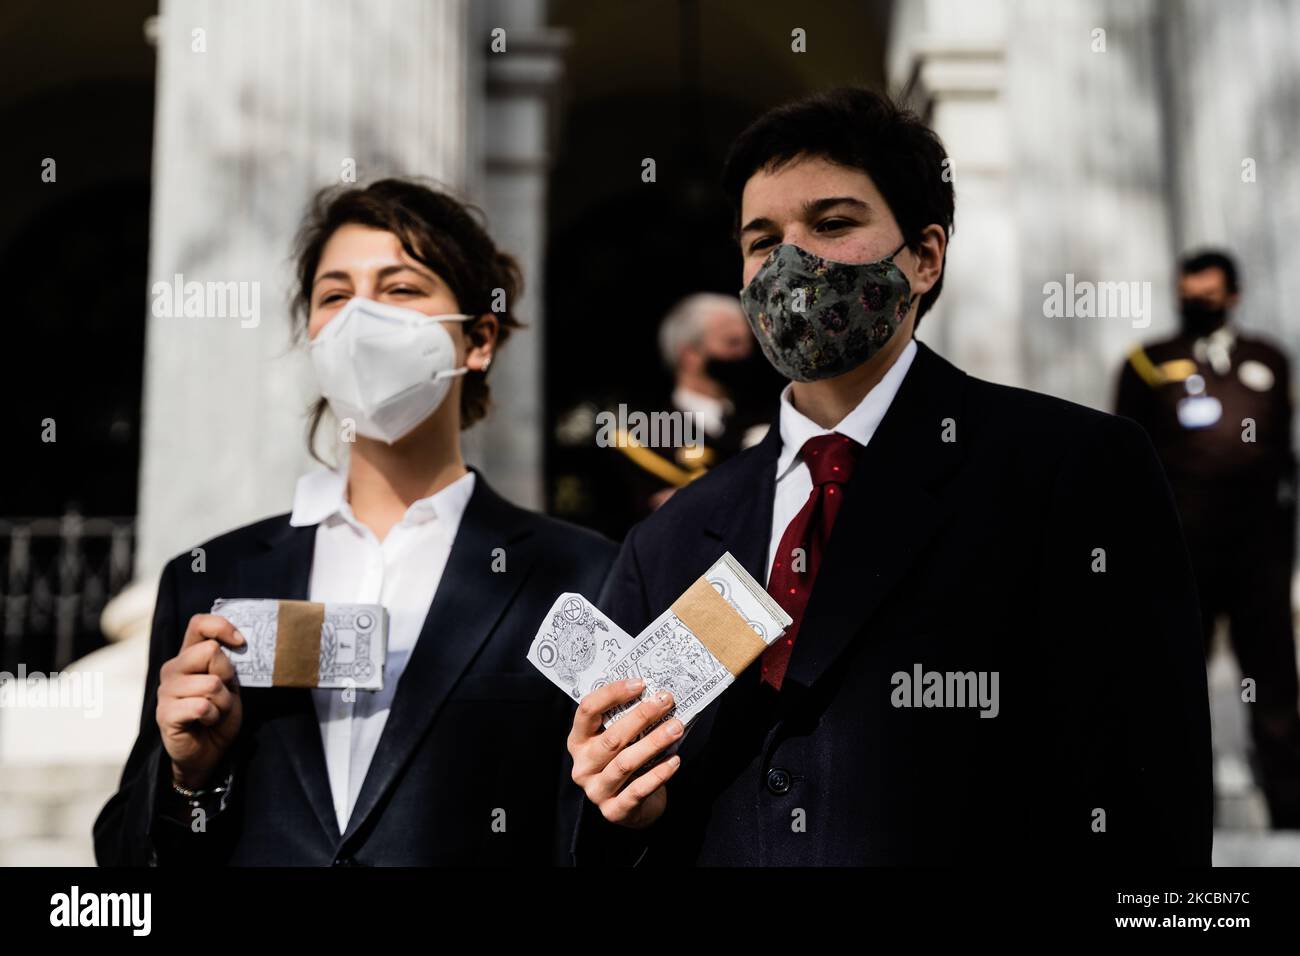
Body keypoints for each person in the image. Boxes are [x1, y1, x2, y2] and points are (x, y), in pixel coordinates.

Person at [567, 87, 1213, 865]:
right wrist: (622, 811)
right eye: (763, 239)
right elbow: (625, 826)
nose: (792, 261)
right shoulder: (667, 538)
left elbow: (1147, 792)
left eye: (832, 224)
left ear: (925, 255)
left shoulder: (1073, 469)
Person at [95, 178, 615, 865]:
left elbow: (596, 832)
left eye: (400, 289)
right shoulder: (210, 580)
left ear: (478, 339)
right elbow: (129, 863)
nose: (361, 318)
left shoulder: (579, 573)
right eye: (335, 296)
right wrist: (190, 776)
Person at [1116, 249, 1300, 828]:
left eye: (1209, 292)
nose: (1196, 300)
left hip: (1258, 554)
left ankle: (1289, 814)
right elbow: (1124, 461)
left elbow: (1282, 456)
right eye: (1188, 291)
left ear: (1233, 294)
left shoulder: (1267, 358)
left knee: (1272, 685)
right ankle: (1165, 817)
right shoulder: (1148, 361)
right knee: (1170, 685)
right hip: (1180, 552)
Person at [612, 293, 778, 514]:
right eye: (732, 343)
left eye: (748, 344)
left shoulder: (773, 419)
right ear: (689, 354)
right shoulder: (644, 436)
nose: (744, 354)